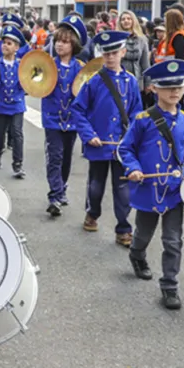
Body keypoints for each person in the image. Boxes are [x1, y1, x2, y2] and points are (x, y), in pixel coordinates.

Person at [119, 59, 184, 310]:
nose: (174, 92)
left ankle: (169, 285)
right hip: (149, 191)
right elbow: (126, 149)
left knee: (173, 240)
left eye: (179, 87)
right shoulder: (142, 120)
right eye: (168, 87)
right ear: (154, 89)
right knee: (142, 234)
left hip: (174, 192)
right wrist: (134, 168)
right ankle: (137, 254)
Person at [71, 30, 142, 245]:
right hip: (98, 144)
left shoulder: (130, 81)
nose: (110, 57)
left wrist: (132, 139)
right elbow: (78, 110)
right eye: (106, 54)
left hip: (122, 146)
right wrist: (88, 135)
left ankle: (123, 228)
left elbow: (136, 113)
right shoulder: (93, 82)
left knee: (123, 188)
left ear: (123, 52)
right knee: (96, 185)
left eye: (114, 53)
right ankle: (92, 213)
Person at [42, 15, 86, 217]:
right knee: (55, 156)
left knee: (67, 157)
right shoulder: (48, 64)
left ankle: (62, 187)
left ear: (74, 44)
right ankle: (54, 196)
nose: (59, 44)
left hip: (72, 121)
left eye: (65, 41)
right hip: (52, 118)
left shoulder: (80, 68)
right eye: (57, 40)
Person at [0, 24, 28, 178]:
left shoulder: (22, 65)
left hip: (17, 104)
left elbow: (26, 83)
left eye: (9, 43)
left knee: (17, 133)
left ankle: (17, 164)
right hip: (1, 103)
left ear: (16, 47)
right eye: (4, 42)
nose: (5, 45)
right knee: (1, 131)